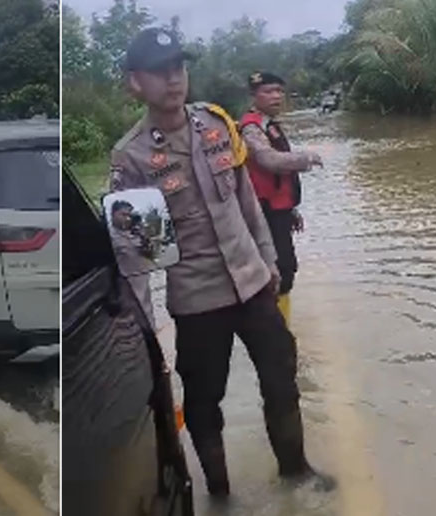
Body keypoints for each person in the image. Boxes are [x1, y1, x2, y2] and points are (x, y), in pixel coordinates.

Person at [108, 28, 334, 498]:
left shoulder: (215, 123)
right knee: (205, 404)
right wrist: (149, 341)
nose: (173, 80)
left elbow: (247, 201)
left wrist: (269, 260)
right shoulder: (131, 159)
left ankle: (295, 473)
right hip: (197, 301)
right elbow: (136, 259)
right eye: (159, 71)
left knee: (282, 377)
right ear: (134, 82)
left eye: (179, 68)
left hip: (253, 285)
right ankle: (220, 495)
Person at [239, 72, 323, 326]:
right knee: (276, 272)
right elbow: (269, 160)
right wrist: (306, 157)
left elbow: (279, 178)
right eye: (268, 91)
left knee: (285, 270)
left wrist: (292, 210)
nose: (276, 96)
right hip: (264, 212)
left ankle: (282, 327)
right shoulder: (251, 128)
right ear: (254, 95)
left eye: (279, 91)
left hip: (279, 210)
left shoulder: (270, 125)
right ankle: (276, 331)